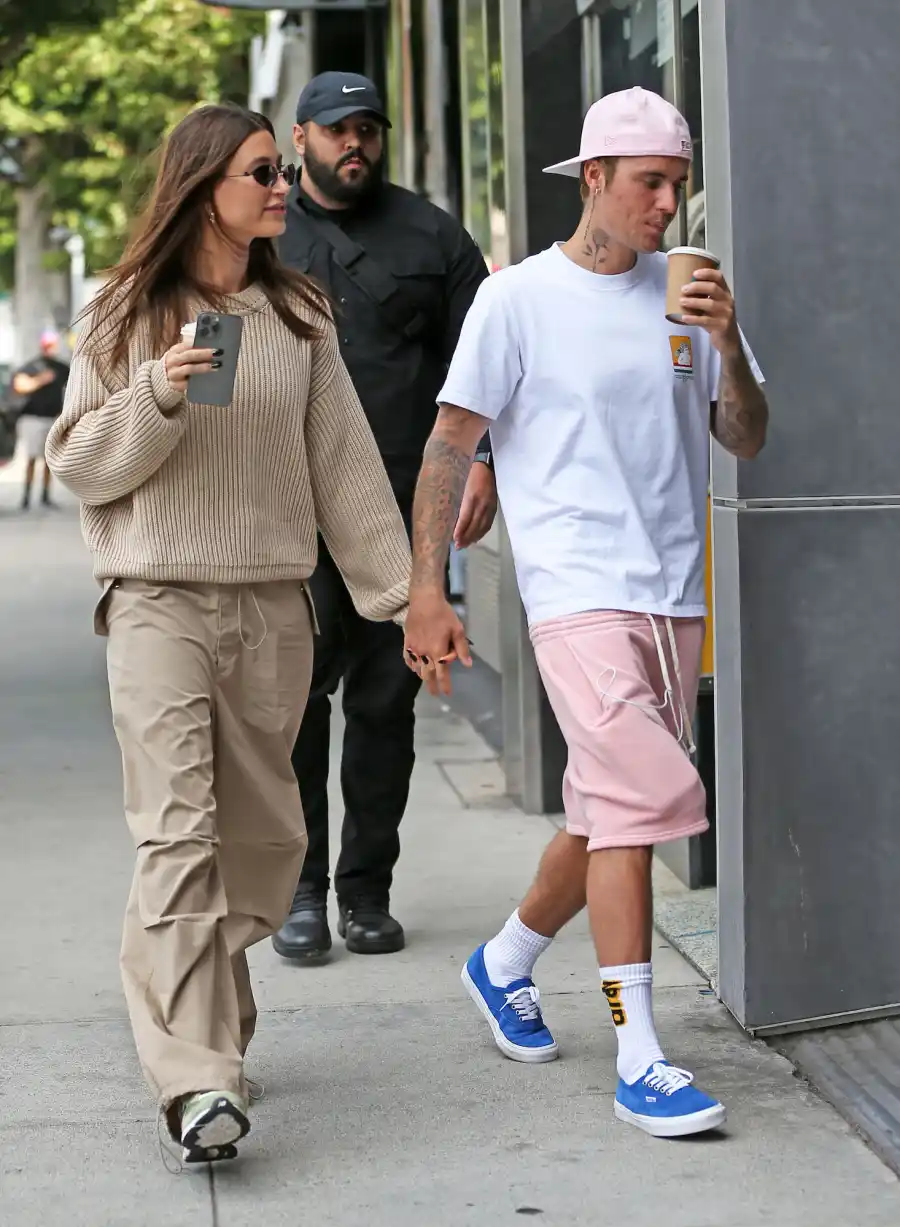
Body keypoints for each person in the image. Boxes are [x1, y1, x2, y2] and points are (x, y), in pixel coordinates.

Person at [46, 104, 411, 1165]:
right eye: (261, 171)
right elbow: (79, 466)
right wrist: (155, 396)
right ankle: (198, 1081)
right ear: (208, 185)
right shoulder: (123, 312)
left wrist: (405, 598)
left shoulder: (296, 312)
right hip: (157, 601)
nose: (281, 185)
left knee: (256, 847)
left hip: (271, 608)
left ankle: (197, 1006)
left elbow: (345, 467)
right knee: (176, 836)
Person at [403, 88, 769, 1138]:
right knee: (651, 799)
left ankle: (506, 959)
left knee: (607, 814)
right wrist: (427, 589)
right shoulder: (517, 299)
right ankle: (640, 1051)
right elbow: (448, 444)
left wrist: (730, 346)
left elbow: (744, 438)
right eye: (652, 183)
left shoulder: (689, 294)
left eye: (679, 185)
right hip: (571, 592)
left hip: (671, 598)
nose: (669, 205)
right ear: (595, 177)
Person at [273, 72, 497, 962]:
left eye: (367, 127)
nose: (353, 142)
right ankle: (300, 891)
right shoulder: (259, 230)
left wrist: (485, 462)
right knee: (292, 704)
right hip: (284, 516)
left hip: (402, 516)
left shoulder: (431, 234)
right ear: (301, 139)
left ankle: (367, 893)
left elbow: (486, 364)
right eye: (336, 130)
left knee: (384, 704)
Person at [11, 330, 69, 510]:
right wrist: (40, 380)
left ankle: (45, 495)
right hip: (33, 419)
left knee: (48, 460)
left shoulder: (61, 367)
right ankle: (26, 496)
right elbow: (19, 385)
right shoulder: (32, 366)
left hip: (52, 418)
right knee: (31, 458)